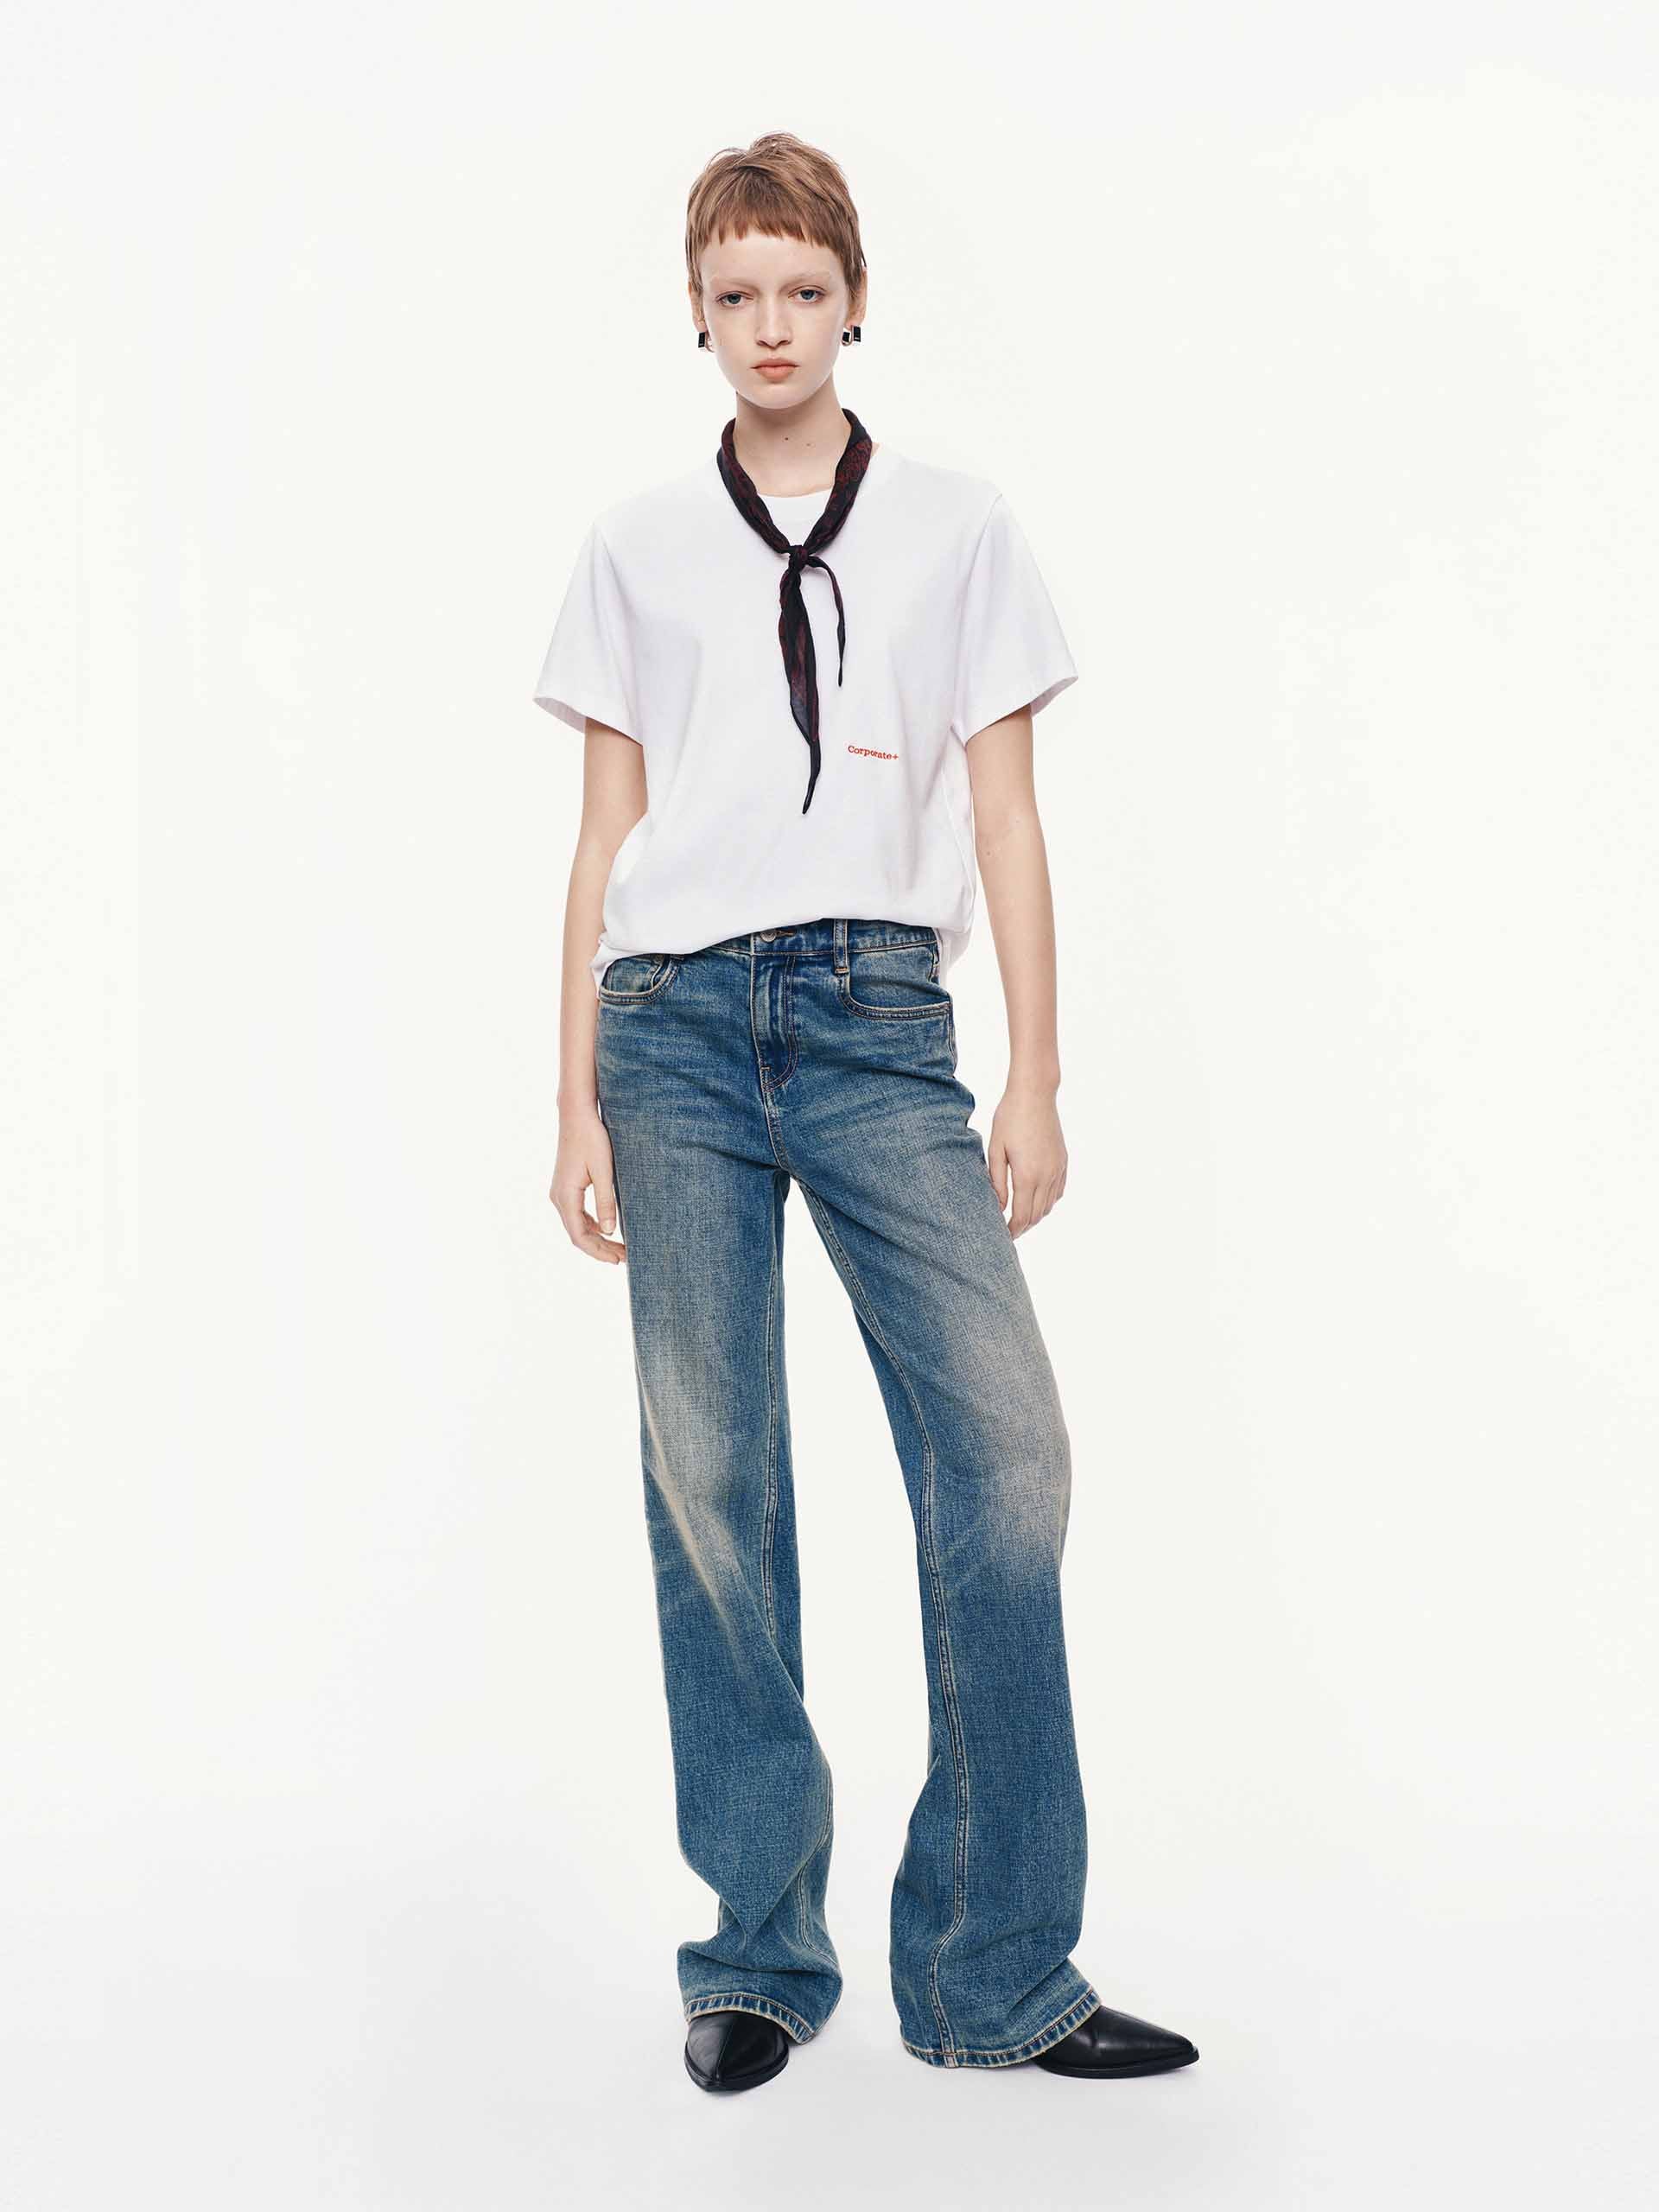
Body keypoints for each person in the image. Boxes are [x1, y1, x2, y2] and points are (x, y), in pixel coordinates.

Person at [535, 131, 1198, 2095]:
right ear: (694, 312)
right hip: (668, 1026)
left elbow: (1006, 813)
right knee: (713, 1481)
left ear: (854, 301)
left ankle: (991, 1964)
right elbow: (603, 838)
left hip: (878, 1014)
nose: (771, 327)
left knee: (1007, 1456)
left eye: (802, 292)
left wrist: (1037, 1070)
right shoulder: (636, 545)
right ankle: (756, 1948)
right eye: (735, 295)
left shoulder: (958, 530)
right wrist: (570, 1092)